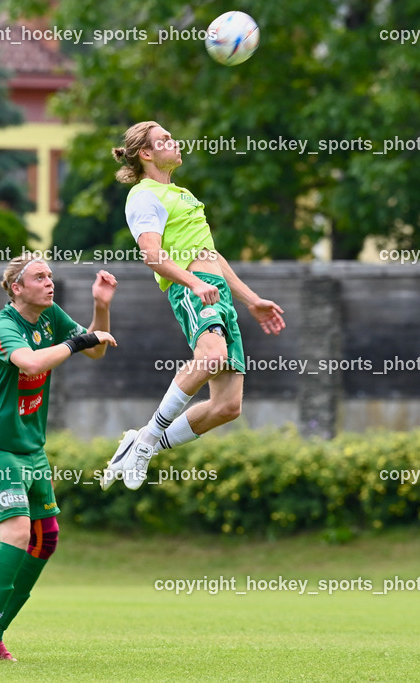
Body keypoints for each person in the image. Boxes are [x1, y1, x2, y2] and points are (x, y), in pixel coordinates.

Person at [101, 121, 285, 491]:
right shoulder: (143, 195)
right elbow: (152, 257)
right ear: (146, 154)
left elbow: (210, 254)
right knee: (212, 356)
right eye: (164, 140)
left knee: (227, 407)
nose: (174, 142)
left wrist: (252, 300)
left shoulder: (182, 193)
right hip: (191, 289)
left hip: (215, 290)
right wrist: (195, 282)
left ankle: (143, 444)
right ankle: (149, 438)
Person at [0, 255, 117, 664]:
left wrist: (101, 305)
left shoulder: (51, 317)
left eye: (51, 275)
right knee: (16, 533)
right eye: (40, 277)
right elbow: (31, 361)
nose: (50, 283)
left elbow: (96, 350)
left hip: (31, 447)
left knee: (45, 539)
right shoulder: (4, 325)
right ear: (17, 287)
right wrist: (74, 342)